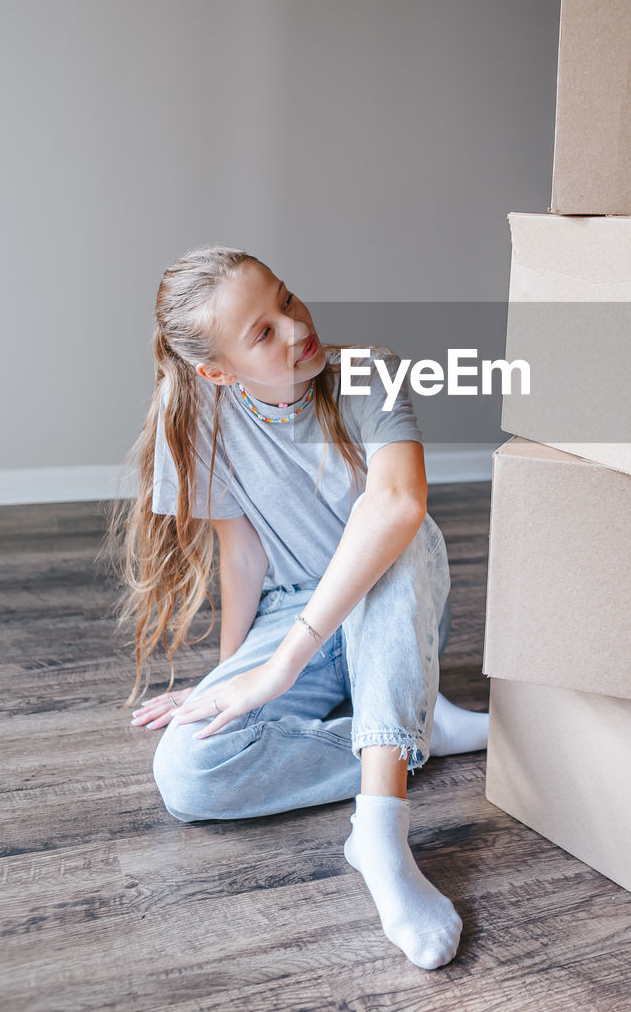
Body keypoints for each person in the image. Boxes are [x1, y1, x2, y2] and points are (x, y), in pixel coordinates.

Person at [115, 245, 489, 971]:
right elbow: (243, 555)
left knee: (386, 537)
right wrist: (232, 679)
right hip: (296, 611)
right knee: (189, 774)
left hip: (396, 588)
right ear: (216, 371)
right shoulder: (192, 413)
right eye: (261, 331)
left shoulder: (367, 372)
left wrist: (280, 670)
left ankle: (379, 837)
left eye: (286, 300)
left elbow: (399, 505)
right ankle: (413, 731)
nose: (294, 328)